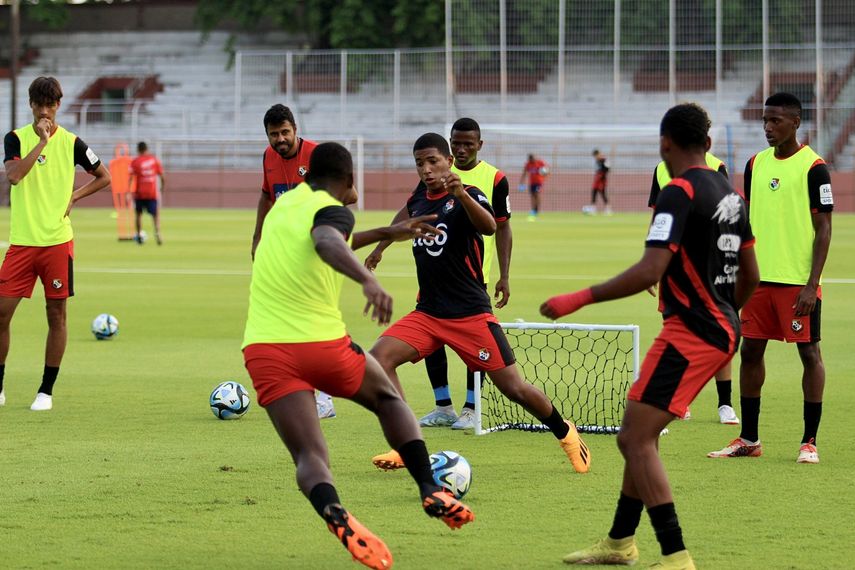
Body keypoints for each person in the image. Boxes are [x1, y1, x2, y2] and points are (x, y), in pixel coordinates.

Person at [543, 103, 758, 569]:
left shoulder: (679, 191)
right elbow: (751, 275)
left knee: (633, 439)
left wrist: (578, 298)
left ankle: (676, 555)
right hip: (718, 328)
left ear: (664, 144)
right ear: (708, 142)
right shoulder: (731, 194)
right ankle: (620, 541)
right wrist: (725, 313)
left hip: (692, 331)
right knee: (642, 434)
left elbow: (649, 271)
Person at [242, 142, 474, 569]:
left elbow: (326, 236)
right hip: (319, 343)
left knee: (309, 456)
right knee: (387, 399)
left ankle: (335, 512)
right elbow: (327, 240)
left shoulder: (284, 206)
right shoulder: (334, 211)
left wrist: (388, 232)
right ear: (349, 180)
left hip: (263, 350)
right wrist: (367, 281)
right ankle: (429, 487)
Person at [368, 133, 590, 475]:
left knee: (514, 388)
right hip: (428, 313)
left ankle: (566, 433)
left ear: (448, 162)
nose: (426, 169)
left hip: (470, 315)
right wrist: (381, 246)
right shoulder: (419, 198)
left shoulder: (468, 194)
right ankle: (407, 445)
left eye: (432, 161)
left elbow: (489, 226)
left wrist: (460, 195)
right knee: (378, 360)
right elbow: (404, 217)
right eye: (419, 163)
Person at [364, 118, 512, 430]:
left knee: (475, 346)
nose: (462, 149)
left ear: (479, 145)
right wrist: (381, 246)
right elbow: (409, 212)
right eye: (456, 143)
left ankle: (472, 406)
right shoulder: (429, 179)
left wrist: (504, 274)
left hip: (471, 274)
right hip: (434, 274)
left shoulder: (494, 178)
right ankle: (443, 405)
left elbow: (500, 226)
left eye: (468, 144)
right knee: (431, 334)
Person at [708, 92, 833, 464]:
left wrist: (812, 283)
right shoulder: (754, 164)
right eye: (765, 120)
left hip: (797, 282)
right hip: (757, 281)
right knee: (750, 352)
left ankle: (809, 441)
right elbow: (748, 221)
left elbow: (824, 229)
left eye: (775, 120)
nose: (767, 127)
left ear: (796, 122)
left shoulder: (814, 167)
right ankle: (749, 439)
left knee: (809, 353)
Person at [0, 76, 111, 411]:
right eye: (40, 105)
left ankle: (45, 392)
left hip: (57, 244)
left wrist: (75, 196)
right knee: (1, 314)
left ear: (58, 105)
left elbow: (104, 177)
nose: (45, 111)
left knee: (56, 315)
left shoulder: (73, 143)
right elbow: (14, 176)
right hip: (22, 243)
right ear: (31, 105)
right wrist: (42, 143)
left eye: (51, 105)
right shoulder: (15, 138)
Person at [251, 103, 334, 419]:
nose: (280, 139)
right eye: (274, 134)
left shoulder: (317, 156)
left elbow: (348, 194)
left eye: (285, 132)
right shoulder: (268, 157)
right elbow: (266, 196)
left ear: (295, 129)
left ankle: (325, 397)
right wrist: (258, 237)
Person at [648, 151, 740, 425]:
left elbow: (728, 217)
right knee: (677, 332)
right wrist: (653, 261)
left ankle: (725, 403)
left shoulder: (717, 167)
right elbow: (657, 219)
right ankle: (682, 400)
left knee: (719, 330)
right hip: (675, 267)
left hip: (710, 266)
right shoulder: (661, 169)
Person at [128, 141, 165, 245]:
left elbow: (130, 177)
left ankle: (139, 234)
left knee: (138, 214)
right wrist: (162, 187)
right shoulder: (154, 160)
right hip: (151, 192)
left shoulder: (135, 161)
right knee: (155, 214)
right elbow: (162, 176)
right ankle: (157, 233)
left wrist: (128, 192)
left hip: (139, 193)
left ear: (138, 150)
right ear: (147, 149)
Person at [519, 153, 549, 221]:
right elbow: (524, 173)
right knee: (532, 196)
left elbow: (546, 171)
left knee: (537, 195)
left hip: (539, 183)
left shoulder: (540, 162)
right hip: (532, 183)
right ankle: (533, 210)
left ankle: (537, 210)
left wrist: (544, 177)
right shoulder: (528, 164)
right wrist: (521, 183)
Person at [585, 149, 611, 216]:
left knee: (603, 193)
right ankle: (593, 209)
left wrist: (601, 177)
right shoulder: (597, 161)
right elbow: (597, 170)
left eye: (596, 155)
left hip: (602, 180)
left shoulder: (605, 160)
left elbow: (607, 170)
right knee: (594, 192)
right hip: (597, 179)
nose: (595, 157)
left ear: (599, 154)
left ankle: (608, 209)